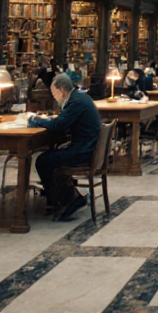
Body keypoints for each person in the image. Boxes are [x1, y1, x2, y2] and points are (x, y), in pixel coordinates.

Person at [28, 73, 102, 220]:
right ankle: (66, 195)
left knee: (43, 161)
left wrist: (36, 120)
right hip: (90, 147)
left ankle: (66, 200)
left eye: (54, 93)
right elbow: (63, 121)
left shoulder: (75, 102)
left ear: (61, 90)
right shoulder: (80, 97)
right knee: (51, 156)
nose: (54, 97)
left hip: (84, 151)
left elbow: (59, 124)